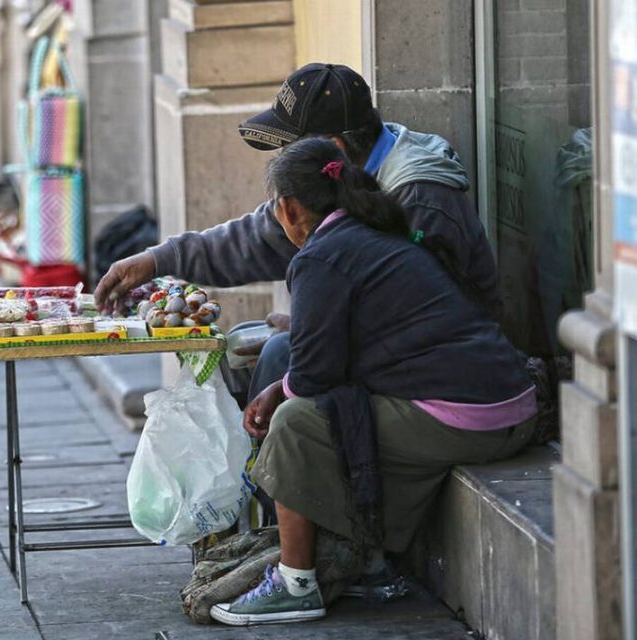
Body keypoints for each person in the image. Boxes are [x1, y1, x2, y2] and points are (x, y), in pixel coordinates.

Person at [205, 138, 536, 626]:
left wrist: (278, 392)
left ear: (288, 208)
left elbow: (314, 377)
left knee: (297, 422)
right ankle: (369, 563)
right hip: (510, 405)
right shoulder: (376, 231)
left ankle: (296, 583)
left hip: (471, 416)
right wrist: (285, 384)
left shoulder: (322, 256)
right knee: (337, 406)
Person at [94, 62, 500, 402]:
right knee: (238, 349)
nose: (283, 160)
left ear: (333, 148)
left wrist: (320, 329)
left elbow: (429, 315)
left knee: (278, 358)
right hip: (385, 345)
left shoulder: (421, 197)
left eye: (290, 149)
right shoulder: (338, 178)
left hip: (445, 372)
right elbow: (258, 237)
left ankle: (280, 493)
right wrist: (158, 260)